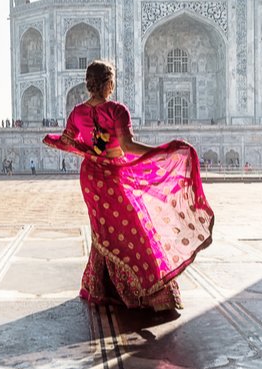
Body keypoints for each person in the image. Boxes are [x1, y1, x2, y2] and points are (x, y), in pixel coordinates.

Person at [43, 59, 214, 313]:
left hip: (91, 176)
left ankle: (102, 287)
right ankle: (145, 290)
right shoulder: (116, 110)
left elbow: (68, 141)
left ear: (89, 84)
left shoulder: (77, 112)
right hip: (112, 174)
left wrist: (82, 150)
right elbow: (128, 146)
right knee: (132, 227)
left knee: (104, 231)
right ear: (109, 84)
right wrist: (161, 151)